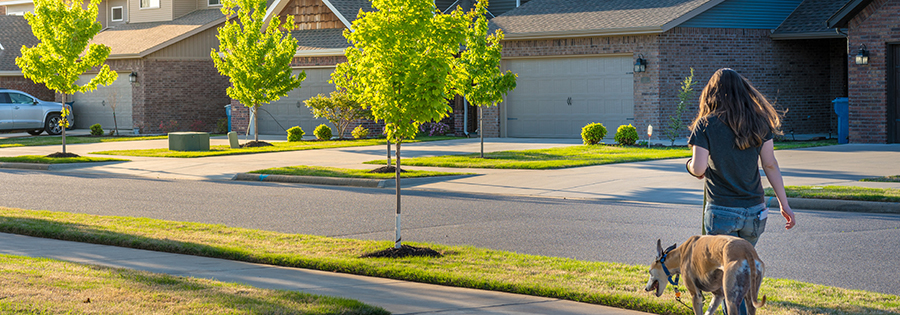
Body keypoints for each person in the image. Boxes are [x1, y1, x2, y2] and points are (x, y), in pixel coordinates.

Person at [686, 68, 796, 313]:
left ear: (711, 93)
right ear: (744, 92)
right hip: (756, 213)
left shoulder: (705, 125)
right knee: (743, 274)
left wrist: (689, 166)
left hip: (721, 212)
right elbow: (770, 164)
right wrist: (784, 204)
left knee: (728, 281)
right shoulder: (759, 122)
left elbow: (699, 167)